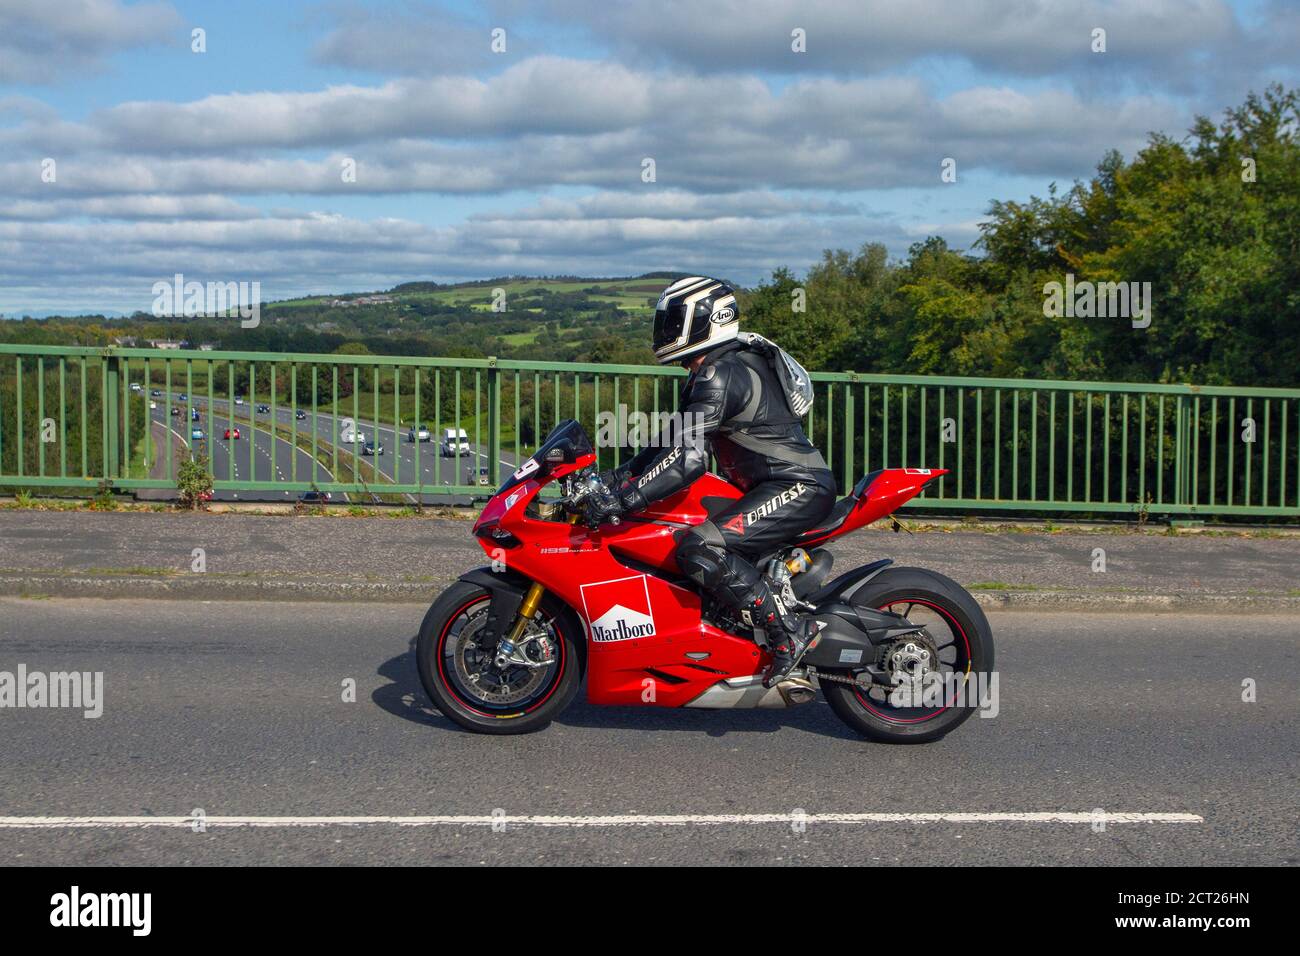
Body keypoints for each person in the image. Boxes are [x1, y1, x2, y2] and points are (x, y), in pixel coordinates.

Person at [583, 276, 836, 686]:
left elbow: (690, 458)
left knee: (701, 547)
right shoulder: (716, 367)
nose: (663, 329)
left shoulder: (721, 372)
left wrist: (624, 501)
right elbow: (669, 443)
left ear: (704, 320)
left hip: (797, 486)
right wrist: (612, 481)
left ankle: (787, 634)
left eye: (672, 320)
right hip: (771, 486)